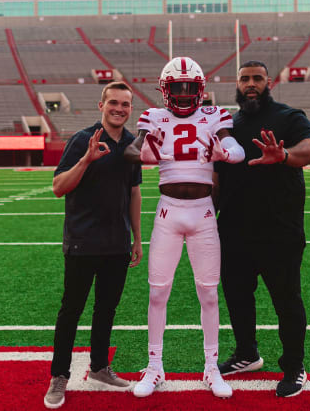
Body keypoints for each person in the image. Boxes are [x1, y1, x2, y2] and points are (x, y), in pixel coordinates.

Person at [124, 56, 245, 399]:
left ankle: (210, 367)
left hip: (203, 214)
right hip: (168, 212)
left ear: (199, 90)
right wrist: (147, 151)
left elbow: (229, 142)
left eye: (188, 87)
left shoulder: (214, 115)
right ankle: (155, 365)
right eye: (176, 87)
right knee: (157, 291)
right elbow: (132, 151)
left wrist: (231, 150)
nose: (181, 93)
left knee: (208, 292)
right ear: (165, 90)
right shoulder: (153, 117)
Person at [213, 60, 310, 398]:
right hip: (232, 230)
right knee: (237, 297)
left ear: (268, 82)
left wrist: (284, 154)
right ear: (237, 83)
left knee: (286, 300)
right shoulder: (227, 124)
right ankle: (247, 353)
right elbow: (217, 176)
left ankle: (294, 366)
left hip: (279, 231)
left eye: (257, 78)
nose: (251, 84)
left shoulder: (289, 117)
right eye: (245, 79)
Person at [43, 81, 143, 409]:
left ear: (131, 109)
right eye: (113, 102)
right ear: (101, 105)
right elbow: (58, 187)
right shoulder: (82, 140)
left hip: (117, 244)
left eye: (125, 104)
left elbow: (134, 192)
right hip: (83, 242)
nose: (119, 108)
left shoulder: (132, 144)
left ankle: (99, 367)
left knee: (106, 310)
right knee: (71, 311)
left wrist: (138, 238)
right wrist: (86, 160)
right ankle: (60, 375)